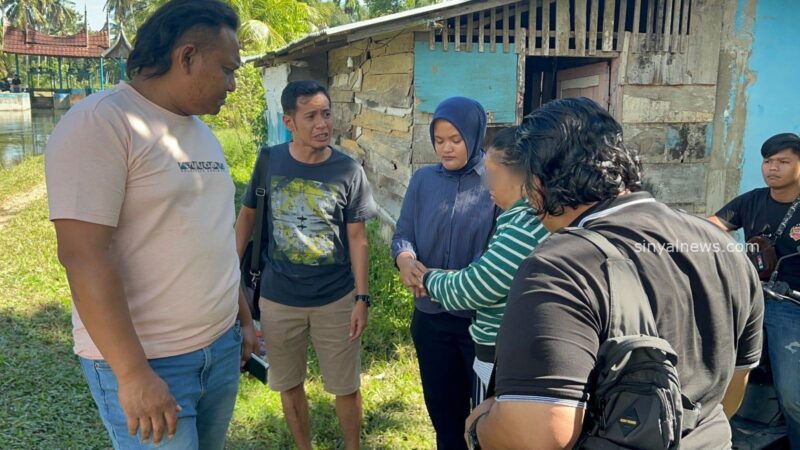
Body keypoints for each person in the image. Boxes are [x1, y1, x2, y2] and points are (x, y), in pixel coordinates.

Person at [466, 97, 764, 449]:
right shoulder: (723, 246)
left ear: (538, 184)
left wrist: (478, 426)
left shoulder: (561, 265)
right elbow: (733, 389)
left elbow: (537, 436)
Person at [45, 1, 257, 449]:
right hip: (152, 363)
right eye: (226, 69)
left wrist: (242, 320)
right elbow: (83, 256)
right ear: (187, 57)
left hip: (220, 349)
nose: (233, 84)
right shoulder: (102, 123)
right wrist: (133, 374)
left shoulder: (201, 133)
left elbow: (214, 238)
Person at [234, 80, 376, 450]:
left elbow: (358, 238)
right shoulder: (269, 161)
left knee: (346, 386)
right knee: (288, 382)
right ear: (289, 122)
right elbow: (247, 217)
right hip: (279, 298)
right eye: (310, 116)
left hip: (336, 298)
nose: (322, 124)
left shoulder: (348, 170)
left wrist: (362, 298)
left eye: (326, 114)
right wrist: (229, 274)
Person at [392, 96, 498, 450]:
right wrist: (405, 259)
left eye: (455, 139)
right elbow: (404, 232)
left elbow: (495, 250)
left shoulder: (495, 181)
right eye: (439, 140)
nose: (446, 148)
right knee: (444, 416)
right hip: (431, 318)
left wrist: (448, 283)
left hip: (479, 324)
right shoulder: (423, 180)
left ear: (475, 135)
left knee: (486, 419)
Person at [422, 127, 548, 403]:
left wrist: (428, 279)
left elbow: (476, 288)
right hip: (507, 353)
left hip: (503, 358)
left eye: (492, 175)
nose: (486, 184)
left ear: (519, 176)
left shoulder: (525, 225)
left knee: (487, 422)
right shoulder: (520, 219)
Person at [709, 132, 800, 447]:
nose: (772, 168)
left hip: (790, 305)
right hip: (748, 296)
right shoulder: (752, 200)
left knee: (794, 396)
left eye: (783, 162)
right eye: (767, 161)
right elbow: (710, 227)